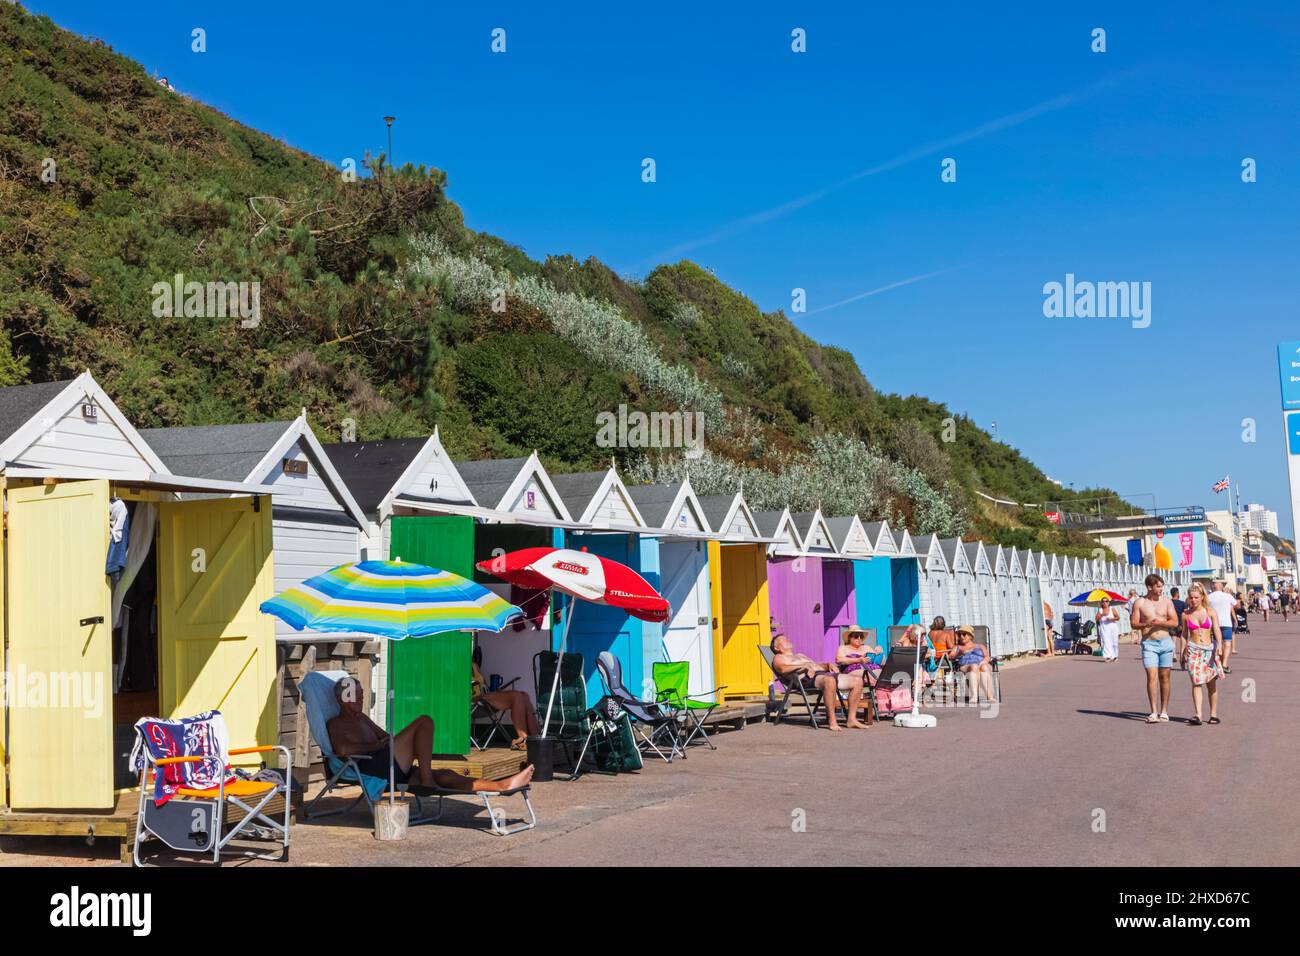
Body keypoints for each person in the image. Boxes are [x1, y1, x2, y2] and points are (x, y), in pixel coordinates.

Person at [327, 677, 534, 793]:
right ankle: (426, 779)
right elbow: (343, 750)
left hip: (389, 765)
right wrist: (377, 745)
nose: (361, 698)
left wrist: (403, 745)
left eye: (362, 694)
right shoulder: (336, 723)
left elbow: (385, 736)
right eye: (356, 695)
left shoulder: (362, 718)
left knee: (445, 775)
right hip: (373, 768)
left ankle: (501, 785)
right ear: (341, 699)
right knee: (424, 722)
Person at [771, 634, 866, 731]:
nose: (787, 639)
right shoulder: (779, 657)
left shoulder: (800, 655)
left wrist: (827, 665)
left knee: (857, 681)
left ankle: (852, 719)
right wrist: (803, 666)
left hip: (822, 674)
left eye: (786, 638)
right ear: (777, 647)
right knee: (829, 681)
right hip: (805, 678)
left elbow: (816, 665)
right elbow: (783, 669)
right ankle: (832, 721)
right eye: (783, 640)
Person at [1129, 573, 1178, 724]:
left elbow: (1175, 622)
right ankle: (1153, 711)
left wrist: (1160, 623)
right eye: (1158, 586)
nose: (1161, 589)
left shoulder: (1167, 602)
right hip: (1149, 643)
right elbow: (1134, 623)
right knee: (1152, 676)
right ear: (1149, 587)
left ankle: (1164, 711)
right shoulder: (1140, 602)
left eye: (1162, 586)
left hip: (1165, 642)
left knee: (1165, 677)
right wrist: (1146, 625)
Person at [1181, 583, 1224, 725]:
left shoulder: (1210, 611)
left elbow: (1216, 629)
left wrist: (1219, 645)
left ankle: (1213, 714)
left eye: (1196, 597)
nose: (1193, 600)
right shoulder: (1186, 615)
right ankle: (1198, 715)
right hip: (1193, 650)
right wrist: (1182, 653)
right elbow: (1183, 635)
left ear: (1202, 597)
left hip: (1208, 650)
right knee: (1196, 683)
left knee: (1211, 684)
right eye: (1191, 597)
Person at [472, 659, 539, 750]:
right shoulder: (458, 667)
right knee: (516, 696)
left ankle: (537, 738)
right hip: (474, 702)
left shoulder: (474, 665)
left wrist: (496, 693)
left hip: (485, 699)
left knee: (524, 695)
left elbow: (485, 686)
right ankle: (524, 740)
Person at [947, 624, 995, 704]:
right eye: (959, 634)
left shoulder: (980, 646)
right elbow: (950, 657)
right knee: (974, 666)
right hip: (966, 666)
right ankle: (974, 697)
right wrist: (959, 654)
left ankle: (989, 696)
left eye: (964, 634)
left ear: (970, 636)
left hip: (981, 665)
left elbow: (987, 657)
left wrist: (982, 663)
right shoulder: (957, 647)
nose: (961, 636)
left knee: (984, 667)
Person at [1207, 581, 1236, 674]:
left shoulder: (1209, 597)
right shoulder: (1227, 596)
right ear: (1222, 587)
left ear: (1213, 587)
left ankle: (1218, 664)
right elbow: (1236, 605)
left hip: (1214, 623)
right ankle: (1224, 665)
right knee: (1227, 643)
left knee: (1216, 643)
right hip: (1227, 623)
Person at [1095, 597, 1121, 662]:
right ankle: (1108, 656)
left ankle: (1115, 656)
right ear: (1101, 603)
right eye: (1103, 601)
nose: (1105, 602)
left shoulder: (1112, 609)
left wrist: (1111, 619)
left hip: (1113, 628)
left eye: (1106, 601)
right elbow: (1097, 619)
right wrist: (1102, 614)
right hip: (1104, 628)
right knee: (1106, 642)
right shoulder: (1100, 610)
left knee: (1114, 642)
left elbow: (1118, 617)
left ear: (1109, 602)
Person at [1169, 587, 1188, 669]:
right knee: (1183, 642)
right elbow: (1186, 613)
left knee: (1173, 641)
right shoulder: (1182, 603)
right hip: (1180, 624)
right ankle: (1182, 657)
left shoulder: (1169, 603)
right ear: (1177, 594)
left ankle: (1174, 655)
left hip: (1172, 623)